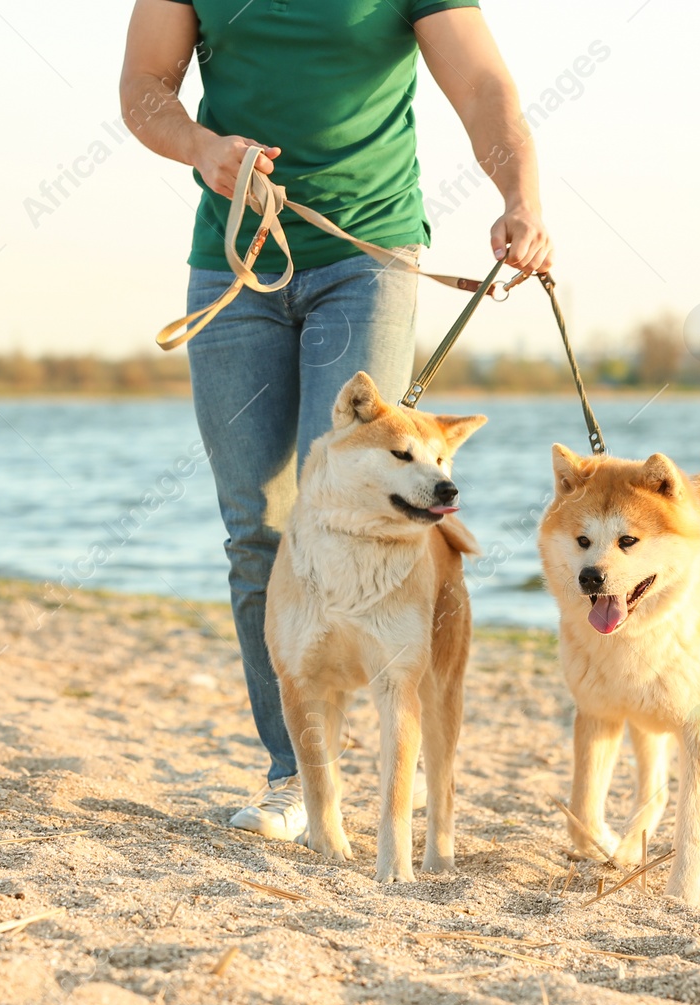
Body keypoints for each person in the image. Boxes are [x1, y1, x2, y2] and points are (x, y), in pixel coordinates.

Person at [120, 0, 551, 840]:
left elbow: (484, 84)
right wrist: (204, 149)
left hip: (369, 256)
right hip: (236, 263)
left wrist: (520, 194)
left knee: (376, 509)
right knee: (258, 521)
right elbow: (144, 87)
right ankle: (295, 775)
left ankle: (405, 744)